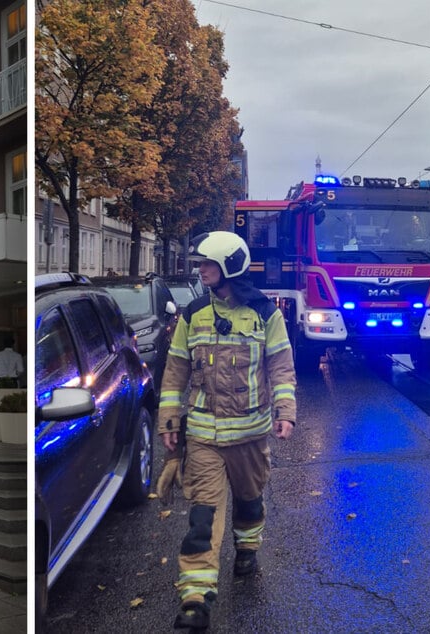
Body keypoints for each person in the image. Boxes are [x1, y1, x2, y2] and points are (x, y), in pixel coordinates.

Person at [157, 231, 296, 631]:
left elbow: (282, 369)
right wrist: (169, 421)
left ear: (229, 267)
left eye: (207, 265)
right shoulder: (193, 314)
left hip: (251, 434)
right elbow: (175, 371)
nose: (200, 270)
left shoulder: (265, 314)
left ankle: (247, 548)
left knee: (250, 502)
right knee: (203, 517)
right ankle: (195, 600)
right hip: (203, 437)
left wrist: (285, 411)